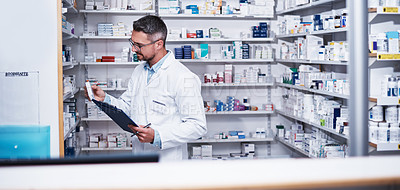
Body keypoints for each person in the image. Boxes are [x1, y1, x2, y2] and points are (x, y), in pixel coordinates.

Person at [85, 15, 207, 161]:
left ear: (158, 44)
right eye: (132, 43)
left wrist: (157, 136)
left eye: (139, 45)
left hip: (167, 163)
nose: (133, 49)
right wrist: (105, 98)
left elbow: (197, 126)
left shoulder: (183, 77)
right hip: (139, 157)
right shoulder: (139, 71)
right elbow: (127, 106)